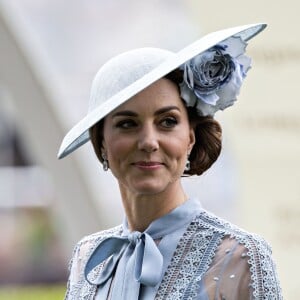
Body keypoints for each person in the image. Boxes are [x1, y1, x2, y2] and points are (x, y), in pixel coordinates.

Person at [58, 23, 282, 299]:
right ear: (101, 142)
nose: (149, 141)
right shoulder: (88, 256)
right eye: (128, 124)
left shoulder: (241, 256)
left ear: (190, 136)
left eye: (167, 121)